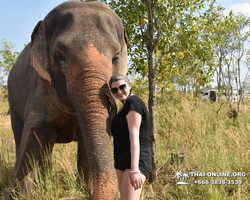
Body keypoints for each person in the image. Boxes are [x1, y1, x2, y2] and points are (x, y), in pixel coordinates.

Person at [105, 74, 151, 200]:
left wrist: (135, 169)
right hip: (121, 158)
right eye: (115, 90)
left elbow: (134, 135)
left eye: (122, 87)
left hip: (136, 159)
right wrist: (113, 108)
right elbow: (111, 132)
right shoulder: (123, 108)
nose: (119, 92)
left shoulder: (133, 102)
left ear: (129, 86)